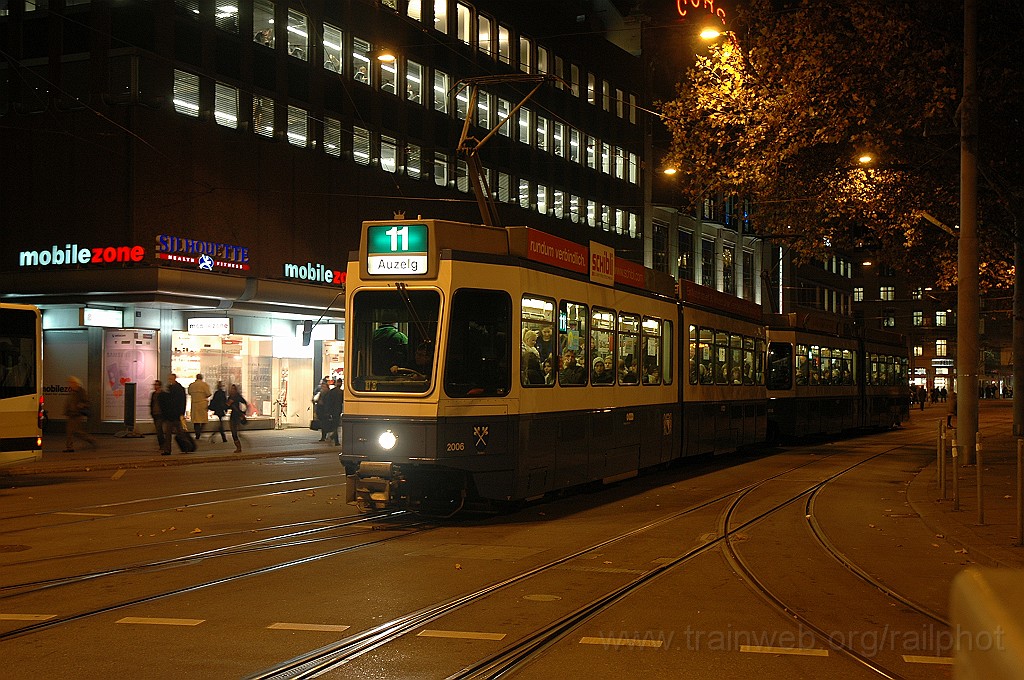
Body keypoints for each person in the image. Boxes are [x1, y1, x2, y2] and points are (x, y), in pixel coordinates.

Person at [63, 376, 97, 452]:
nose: (70, 384)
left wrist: (80, 405)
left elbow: (86, 401)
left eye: (71, 382)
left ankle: (71, 447)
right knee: (73, 431)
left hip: (77, 414)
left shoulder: (81, 391)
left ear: (75, 383)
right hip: (71, 414)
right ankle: (70, 447)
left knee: (74, 431)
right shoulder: (73, 391)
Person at [159, 373, 188, 455]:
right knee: (170, 433)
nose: (169, 380)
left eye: (171, 379)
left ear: (174, 379)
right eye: (169, 379)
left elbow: (180, 402)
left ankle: (184, 447)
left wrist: (181, 413)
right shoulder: (174, 389)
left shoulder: (176, 389)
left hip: (175, 415)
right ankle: (169, 449)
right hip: (173, 415)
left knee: (177, 433)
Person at [188, 373, 212, 442]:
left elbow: (189, 393)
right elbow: (208, 394)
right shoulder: (204, 385)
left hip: (194, 404)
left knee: (196, 420)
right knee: (203, 420)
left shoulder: (192, 385)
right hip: (202, 404)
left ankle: (197, 433)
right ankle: (200, 431)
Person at [227, 383, 248, 453]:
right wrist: (228, 404)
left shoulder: (237, 396)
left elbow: (245, 403)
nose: (232, 390)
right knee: (233, 432)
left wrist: (244, 412)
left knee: (234, 432)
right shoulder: (230, 397)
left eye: (233, 389)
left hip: (237, 415)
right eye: (231, 389)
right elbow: (227, 406)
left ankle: (239, 447)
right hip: (233, 415)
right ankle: (238, 446)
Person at [322, 379, 343, 444]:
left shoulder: (332, 392)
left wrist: (327, 411)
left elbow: (328, 402)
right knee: (336, 425)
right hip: (338, 411)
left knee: (334, 425)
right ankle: (335, 439)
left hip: (332, 411)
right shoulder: (342, 392)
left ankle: (334, 439)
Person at [150, 379, 166, 451]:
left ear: (159, 386)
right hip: (155, 414)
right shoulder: (153, 394)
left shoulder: (162, 394)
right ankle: (162, 444)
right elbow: (151, 403)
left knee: (159, 430)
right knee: (158, 430)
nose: (155, 386)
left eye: (156, 385)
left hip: (160, 414)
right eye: (155, 385)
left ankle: (162, 444)